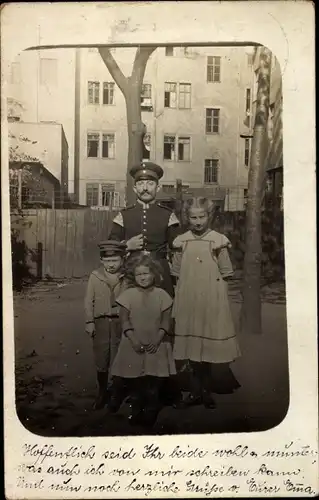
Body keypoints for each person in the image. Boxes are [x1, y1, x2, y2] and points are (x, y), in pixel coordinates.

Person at [171, 197, 241, 409]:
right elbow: (176, 271)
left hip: (211, 297)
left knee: (207, 342)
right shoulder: (181, 241)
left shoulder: (218, 240)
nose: (198, 221)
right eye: (193, 217)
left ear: (209, 216)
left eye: (202, 216)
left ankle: (206, 391)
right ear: (187, 218)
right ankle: (194, 391)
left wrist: (218, 298)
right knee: (192, 344)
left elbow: (226, 271)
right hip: (189, 296)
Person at [107, 253, 176, 427]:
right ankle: (136, 409)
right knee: (135, 382)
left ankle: (151, 410)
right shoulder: (128, 295)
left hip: (156, 343)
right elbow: (124, 320)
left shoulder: (162, 295)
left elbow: (166, 320)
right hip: (133, 342)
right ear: (133, 276)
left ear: (154, 274)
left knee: (153, 382)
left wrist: (158, 338)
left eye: (146, 273)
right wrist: (133, 339)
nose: (143, 278)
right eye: (139, 274)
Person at [108, 161, 180, 298]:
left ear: (158, 188)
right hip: (132, 272)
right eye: (140, 184)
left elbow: (176, 246)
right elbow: (111, 246)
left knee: (163, 309)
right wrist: (126, 246)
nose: (145, 188)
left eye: (150, 184)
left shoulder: (168, 215)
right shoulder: (123, 215)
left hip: (160, 272)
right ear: (135, 188)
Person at [84, 240, 127, 410]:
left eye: (115, 260)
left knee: (120, 356)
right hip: (100, 322)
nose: (111, 264)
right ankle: (102, 392)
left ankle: (117, 393)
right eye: (108, 261)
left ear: (122, 259)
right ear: (101, 261)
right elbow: (89, 301)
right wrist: (89, 322)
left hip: (120, 322)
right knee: (102, 357)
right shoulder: (95, 276)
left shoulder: (127, 277)